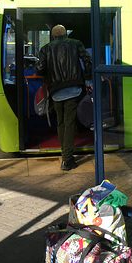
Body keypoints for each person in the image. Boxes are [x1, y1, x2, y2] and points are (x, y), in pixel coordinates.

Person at [36, 24, 92, 171]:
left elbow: (40, 70)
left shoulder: (46, 49)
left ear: (53, 36)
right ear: (66, 34)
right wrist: (87, 78)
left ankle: (65, 155)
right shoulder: (76, 44)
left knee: (60, 123)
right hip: (73, 88)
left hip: (55, 90)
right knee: (69, 123)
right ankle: (67, 160)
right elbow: (88, 61)